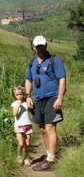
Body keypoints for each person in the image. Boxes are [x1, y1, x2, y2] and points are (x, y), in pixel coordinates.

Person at [25, 35, 66, 171]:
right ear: (34, 47)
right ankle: (50, 154)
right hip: (37, 99)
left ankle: (50, 160)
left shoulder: (55, 60)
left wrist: (60, 98)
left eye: (42, 45)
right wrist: (28, 96)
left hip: (52, 98)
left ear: (46, 45)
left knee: (50, 127)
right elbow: (28, 80)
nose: (40, 48)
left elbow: (61, 79)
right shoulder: (32, 63)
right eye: (37, 46)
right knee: (42, 129)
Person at [11, 86, 33, 166]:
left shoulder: (26, 102)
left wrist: (30, 106)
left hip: (27, 125)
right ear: (14, 96)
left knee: (27, 143)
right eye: (17, 95)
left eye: (21, 94)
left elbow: (31, 109)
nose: (19, 96)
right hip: (19, 126)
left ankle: (27, 157)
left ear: (23, 94)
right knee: (20, 144)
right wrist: (18, 104)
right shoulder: (14, 103)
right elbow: (14, 113)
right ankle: (19, 157)